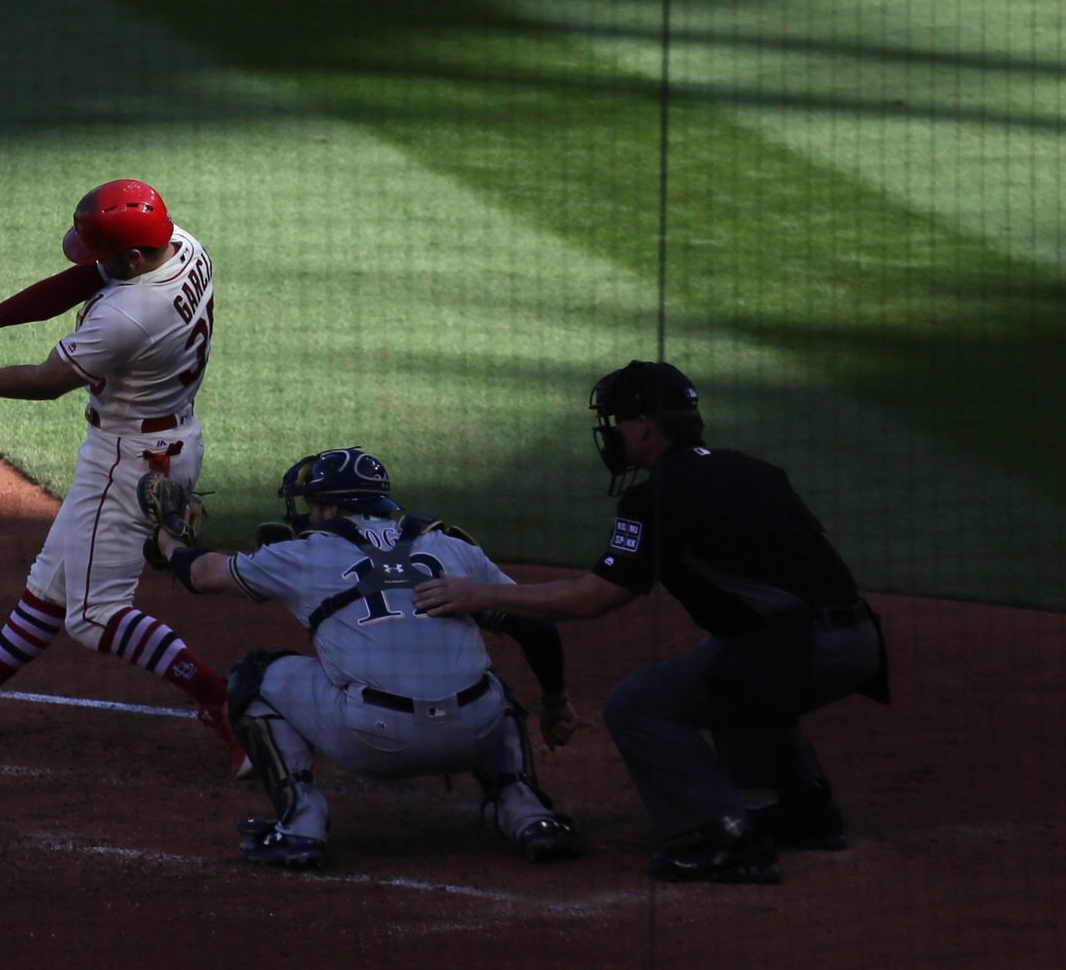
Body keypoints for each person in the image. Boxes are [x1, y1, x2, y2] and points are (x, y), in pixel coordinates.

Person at [414, 360, 890, 884]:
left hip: (802, 652)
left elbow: (595, 598)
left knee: (640, 701)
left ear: (642, 423)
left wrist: (478, 593)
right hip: (861, 642)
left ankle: (727, 836)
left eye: (616, 422)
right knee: (729, 660)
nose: (612, 435)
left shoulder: (654, 496)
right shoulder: (754, 468)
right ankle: (807, 811)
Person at [0, 179, 246, 776]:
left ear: (131, 256)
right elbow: (89, 276)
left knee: (96, 614)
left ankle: (225, 701)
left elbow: (48, 381)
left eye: (103, 252)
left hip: (131, 459)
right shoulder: (178, 244)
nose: (93, 261)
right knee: (53, 581)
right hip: (157, 439)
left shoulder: (131, 314)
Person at [152, 446, 588, 870]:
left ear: (329, 509)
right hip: (477, 731)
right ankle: (529, 815)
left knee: (253, 675)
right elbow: (535, 626)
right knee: (489, 685)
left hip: (375, 742)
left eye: (311, 504)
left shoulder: (305, 554)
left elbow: (203, 575)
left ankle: (299, 828)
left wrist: (169, 540)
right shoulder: (449, 546)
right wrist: (554, 704)